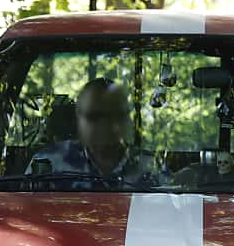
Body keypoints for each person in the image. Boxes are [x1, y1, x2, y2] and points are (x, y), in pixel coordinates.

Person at [27, 77, 166, 187]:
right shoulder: (49, 163)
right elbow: (25, 210)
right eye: (94, 116)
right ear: (78, 119)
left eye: (114, 115)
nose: (104, 124)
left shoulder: (151, 166)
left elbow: (176, 209)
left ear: (126, 119)